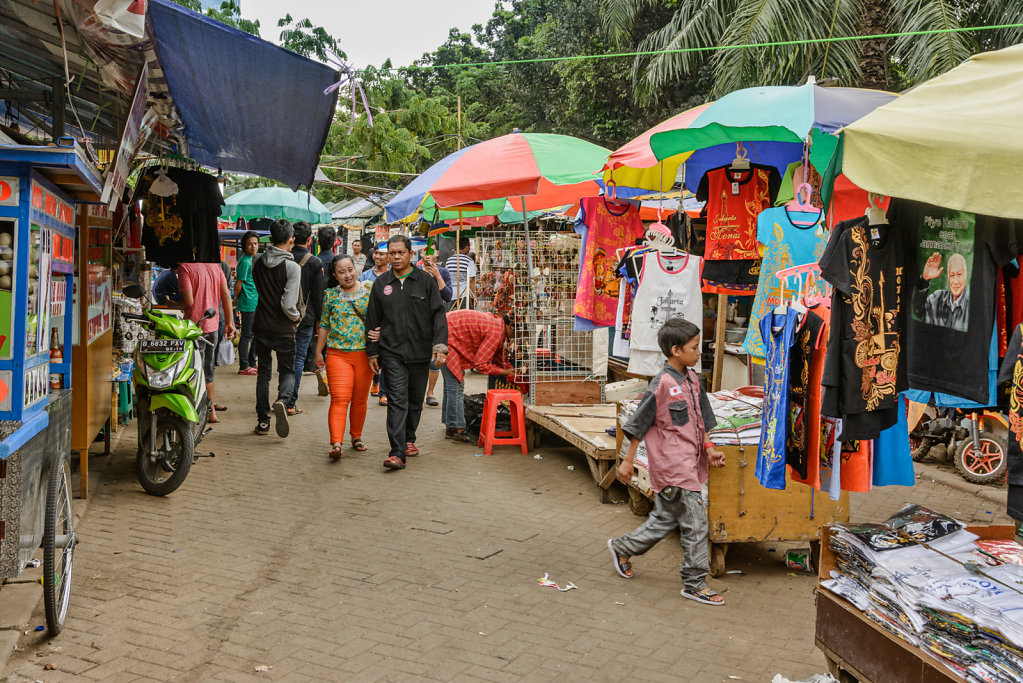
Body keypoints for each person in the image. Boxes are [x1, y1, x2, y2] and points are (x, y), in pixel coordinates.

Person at [607, 317, 727, 606]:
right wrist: (627, 461)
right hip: (674, 468)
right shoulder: (661, 385)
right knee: (696, 526)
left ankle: (622, 547)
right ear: (676, 350)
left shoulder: (694, 380)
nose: (700, 352)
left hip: (691, 461)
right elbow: (639, 423)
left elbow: (702, 419)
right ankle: (695, 583)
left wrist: (709, 448)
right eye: (695, 347)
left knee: (664, 520)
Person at [366, 235, 448, 470]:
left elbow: (438, 316)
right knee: (397, 400)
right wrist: (373, 352)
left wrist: (440, 347)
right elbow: (372, 319)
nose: (396, 257)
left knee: (414, 401)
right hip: (391, 352)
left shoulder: (425, 281)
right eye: (392, 253)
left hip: (420, 352)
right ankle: (397, 452)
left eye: (401, 252)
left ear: (411, 254)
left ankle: (409, 438)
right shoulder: (381, 284)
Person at [316, 255, 373, 460]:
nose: (347, 275)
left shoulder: (369, 290)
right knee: (339, 399)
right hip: (336, 354)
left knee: (360, 400)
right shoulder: (330, 295)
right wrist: (317, 352)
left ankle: (356, 437)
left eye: (350, 269)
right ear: (334, 275)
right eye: (342, 272)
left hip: (365, 355)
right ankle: (336, 443)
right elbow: (324, 325)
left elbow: (381, 318)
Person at [252, 219, 302, 438]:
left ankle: (263, 421)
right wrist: (297, 316)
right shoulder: (292, 267)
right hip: (284, 329)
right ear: (291, 240)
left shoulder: (256, 262)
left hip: (261, 325)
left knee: (263, 374)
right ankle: (282, 400)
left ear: (270, 240)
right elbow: (287, 303)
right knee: (287, 371)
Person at [169, 261, 235, 424]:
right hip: (212, 326)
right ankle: (211, 413)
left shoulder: (186, 268)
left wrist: (173, 304)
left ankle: (193, 411)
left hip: (193, 328)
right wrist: (229, 322)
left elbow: (189, 302)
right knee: (208, 370)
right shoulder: (215, 266)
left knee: (190, 370)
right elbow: (226, 295)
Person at [442, 310, 516, 442]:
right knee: (456, 385)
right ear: (509, 326)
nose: (517, 336)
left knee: (451, 385)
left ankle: (451, 425)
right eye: (517, 331)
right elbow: (481, 364)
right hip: (446, 338)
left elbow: (498, 357)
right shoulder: (496, 332)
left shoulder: (497, 325)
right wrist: (505, 372)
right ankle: (459, 429)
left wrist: (510, 370)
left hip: (445, 332)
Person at [285, 221, 324, 416]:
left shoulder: (285, 257)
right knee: (299, 358)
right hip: (306, 318)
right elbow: (318, 295)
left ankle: (283, 397)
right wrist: (320, 319)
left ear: (292, 238)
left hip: (284, 316)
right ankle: (291, 402)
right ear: (310, 240)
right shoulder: (315, 262)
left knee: (286, 358)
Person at [420, 252, 453, 407]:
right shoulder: (415, 271)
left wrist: (437, 276)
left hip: (436, 322)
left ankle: (430, 392)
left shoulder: (444, 272)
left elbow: (448, 296)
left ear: (437, 254)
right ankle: (417, 391)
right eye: (424, 253)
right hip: (418, 322)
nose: (427, 257)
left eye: (431, 253)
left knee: (435, 360)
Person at [360, 245, 391, 402]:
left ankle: (383, 393)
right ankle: (375, 381)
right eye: (376, 253)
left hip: (388, 322)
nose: (378, 256)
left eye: (382, 254)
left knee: (386, 356)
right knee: (373, 354)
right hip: (369, 321)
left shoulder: (394, 276)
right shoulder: (365, 276)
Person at [914, 251, 969, 332]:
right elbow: (918, 311)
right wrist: (925, 280)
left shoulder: (971, 305)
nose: (955, 281)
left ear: (966, 275)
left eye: (959, 274)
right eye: (952, 275)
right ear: (948, 277)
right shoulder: (937, 297)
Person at [234, 231, 260, 375]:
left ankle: (252, 362)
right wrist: (236, 298)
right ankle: (244, 365)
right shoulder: (244, 261)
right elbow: (238, 284)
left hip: (255, 301)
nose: (253, 246)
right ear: (244, 245)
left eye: (255, 243)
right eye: (250, 244)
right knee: (246, 335)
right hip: (248, 302)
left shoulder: (254, 259)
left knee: (256, 334)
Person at [445, 236, 476, 310]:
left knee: (450, 317)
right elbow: (471, 280)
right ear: (467, 247)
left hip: (450, 294)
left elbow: (446, 277)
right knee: (465, 318)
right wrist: (473, 297)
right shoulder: (469, 261)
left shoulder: (449, 260)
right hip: (463, 295)